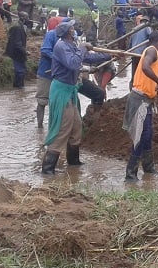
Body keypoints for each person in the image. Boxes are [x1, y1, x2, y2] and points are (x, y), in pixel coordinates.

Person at [41, 19, 109, 173]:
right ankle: (47, 169)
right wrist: (83, 48)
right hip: (61, 92)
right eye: (72, 28)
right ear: (68, 32)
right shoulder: (61, 46)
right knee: (62, 129)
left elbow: (87, 58)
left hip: (70, 91)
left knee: (76, 127)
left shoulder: (71, 46)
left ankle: (73, 163)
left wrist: (107, 56)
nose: (75, 29)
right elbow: (73, 63)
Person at [122, 31, 158, 181]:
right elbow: (146, 68)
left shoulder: (149, 51)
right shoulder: (153, 51)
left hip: (145, 100)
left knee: (148, 135)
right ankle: (131, 173)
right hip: (140, 100)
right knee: (142, 135)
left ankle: (148, 168)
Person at [4, 13, 28, 88]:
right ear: (22, 18)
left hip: (17, 51)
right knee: (20, 71)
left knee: (21, 70)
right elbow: (17, 43)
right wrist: (25, 51)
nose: (28, 18)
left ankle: (18, 87)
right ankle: (19, 87)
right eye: (27, 17)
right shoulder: (17, 27)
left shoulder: (20, 26)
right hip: (17, 52)